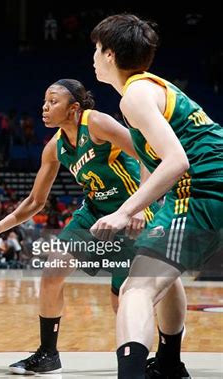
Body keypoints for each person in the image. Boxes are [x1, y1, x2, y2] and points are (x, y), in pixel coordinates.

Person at [0, 79, 181, 375]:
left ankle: (159, 359)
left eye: (53, 101)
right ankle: (48, 355)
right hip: (94, 213)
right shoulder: (54, 147)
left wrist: (142, 206)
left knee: (123, 303)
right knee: (53, 270)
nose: (45, 107)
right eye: (44, 101)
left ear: (74, 108)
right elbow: (34, 201)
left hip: (129, 213)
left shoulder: (97, 123)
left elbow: (148, 150)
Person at [90, 14, 222, 379]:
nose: (94, 57)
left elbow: (176, 160)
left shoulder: (135, 94)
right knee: (166, 273)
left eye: (98, 49)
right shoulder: (151, 88)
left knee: (136, 290)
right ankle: (167, 364)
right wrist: (145, 207)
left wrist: (123, 210)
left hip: (203, 191)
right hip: (204, 189)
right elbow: (156, 154)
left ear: (111, 54)